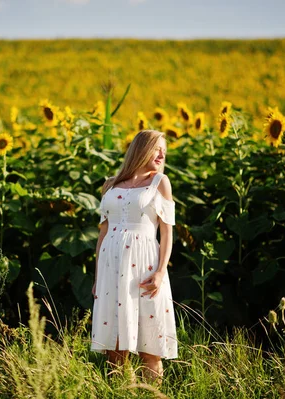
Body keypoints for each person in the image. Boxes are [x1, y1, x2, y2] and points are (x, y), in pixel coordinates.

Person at [91, 129, 178, 382]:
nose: (161, 154)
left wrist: (161, 272)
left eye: (164, 150)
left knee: (150, 345)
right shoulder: (111, 184)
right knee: (115, 346)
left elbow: (166, 232)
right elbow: (102, 235)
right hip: (111, 268)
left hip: (145, 266)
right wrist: (98, 277)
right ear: (140, 149)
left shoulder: (159, 183)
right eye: (156, 148)